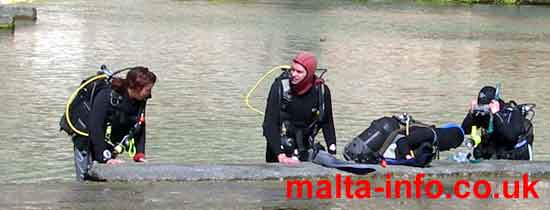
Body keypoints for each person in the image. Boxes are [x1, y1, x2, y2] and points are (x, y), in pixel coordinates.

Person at [63, 66, 157, 180]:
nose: (150, 94)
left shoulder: (140, 100)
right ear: (136, 88)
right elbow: (95, 126)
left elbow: (140, 125)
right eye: (147, 90)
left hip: (106, 135)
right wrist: (105, 157)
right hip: (85, 132)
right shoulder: (107, 95)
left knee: (105, 178)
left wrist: (140, 154)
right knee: (86, 179)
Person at [262, 52, 336, 165]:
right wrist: (280, 155)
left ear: (310, 73)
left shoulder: (321, 91)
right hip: (279, 150)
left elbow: (327, 123)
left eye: (299, 72)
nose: (294, 74)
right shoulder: (279, 88)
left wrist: (332, 151)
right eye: (293, 70)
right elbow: (269, 125)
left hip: (304, 148)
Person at [343, 114, 464, 167]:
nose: (449, 149)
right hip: (392, 151)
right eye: (451, 146)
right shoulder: (429, 134)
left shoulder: (431, 137)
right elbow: (402, 142)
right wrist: (408, 158)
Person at [461, 86, 534, 160]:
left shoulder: (512, 113)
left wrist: (496, 114)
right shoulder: (485, 114)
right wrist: (471, 113)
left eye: (486, 106)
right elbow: (465, 130)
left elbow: (510, 137)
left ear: (495, 103)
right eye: (481, 106)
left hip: (514, 154)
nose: (484, 109)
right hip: (496, 151)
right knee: (479, 151)